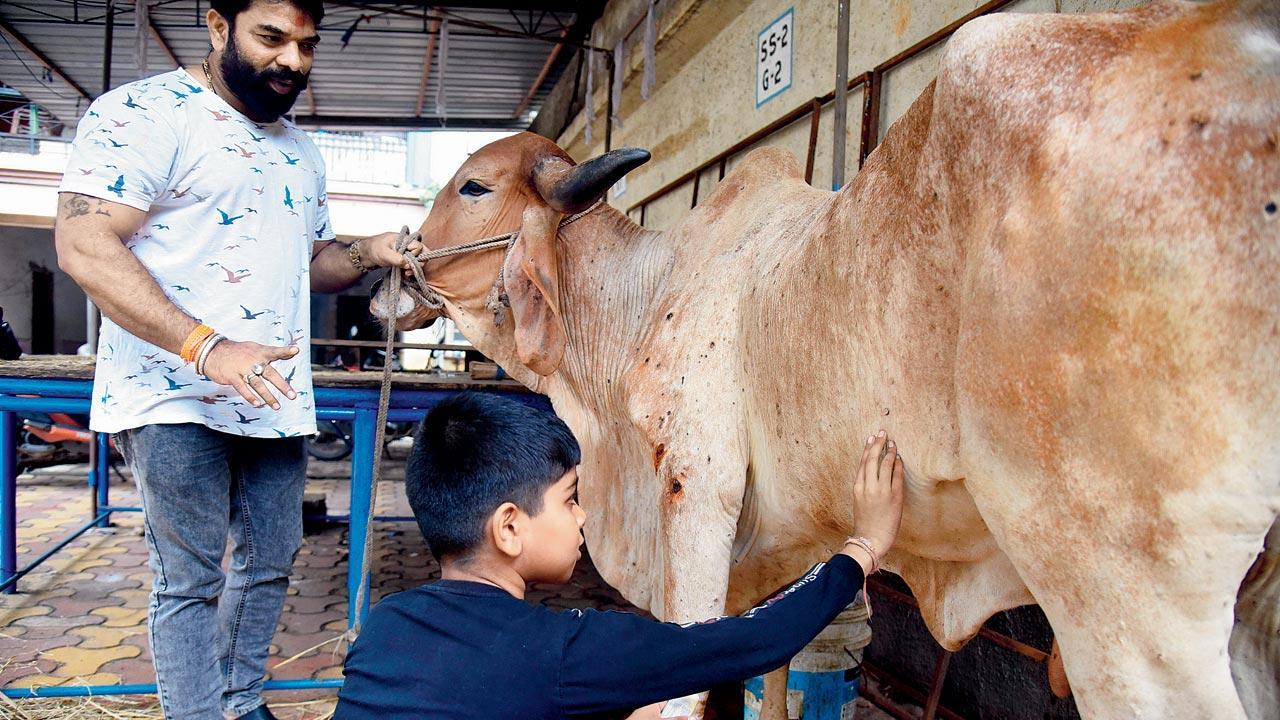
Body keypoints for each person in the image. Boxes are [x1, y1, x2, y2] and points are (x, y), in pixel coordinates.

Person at [52, 1, 425, 717]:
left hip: (272, 393)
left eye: (307, 46)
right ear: (219, 26)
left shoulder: (300, 151)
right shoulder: (144, 112)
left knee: (270, 564)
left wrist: (367, 251)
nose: (292, 60)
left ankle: (241, 700)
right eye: (272, 38)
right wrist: (206, 348)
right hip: (173, 390)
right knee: (190, 580)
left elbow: (310, 262)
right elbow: (84, 244)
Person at [334, 393, 905, 720]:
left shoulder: (384, 626)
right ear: (509, 527)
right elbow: (754, 641)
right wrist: (863, 547)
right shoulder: (565, 653)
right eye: (570, 499)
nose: (582, 516)